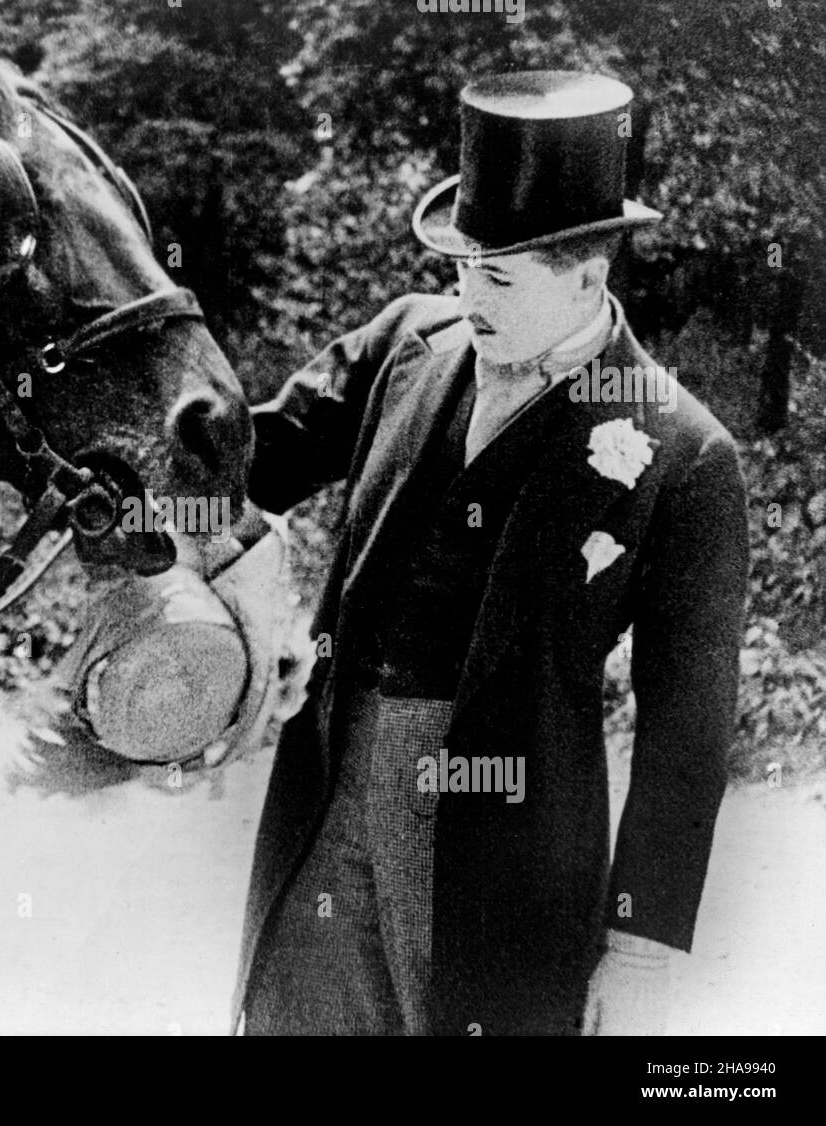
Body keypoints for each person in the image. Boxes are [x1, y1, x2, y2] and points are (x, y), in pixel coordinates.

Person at [233, 71, 749, 1035]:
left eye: (499, 276)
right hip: (331, 786)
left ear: (589, 276)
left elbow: (689, 729)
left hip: (507, 845)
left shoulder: (683, 453)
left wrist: (640, 949)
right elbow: (249, 463)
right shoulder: (405, 346)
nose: (468, 296)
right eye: (463, 265)